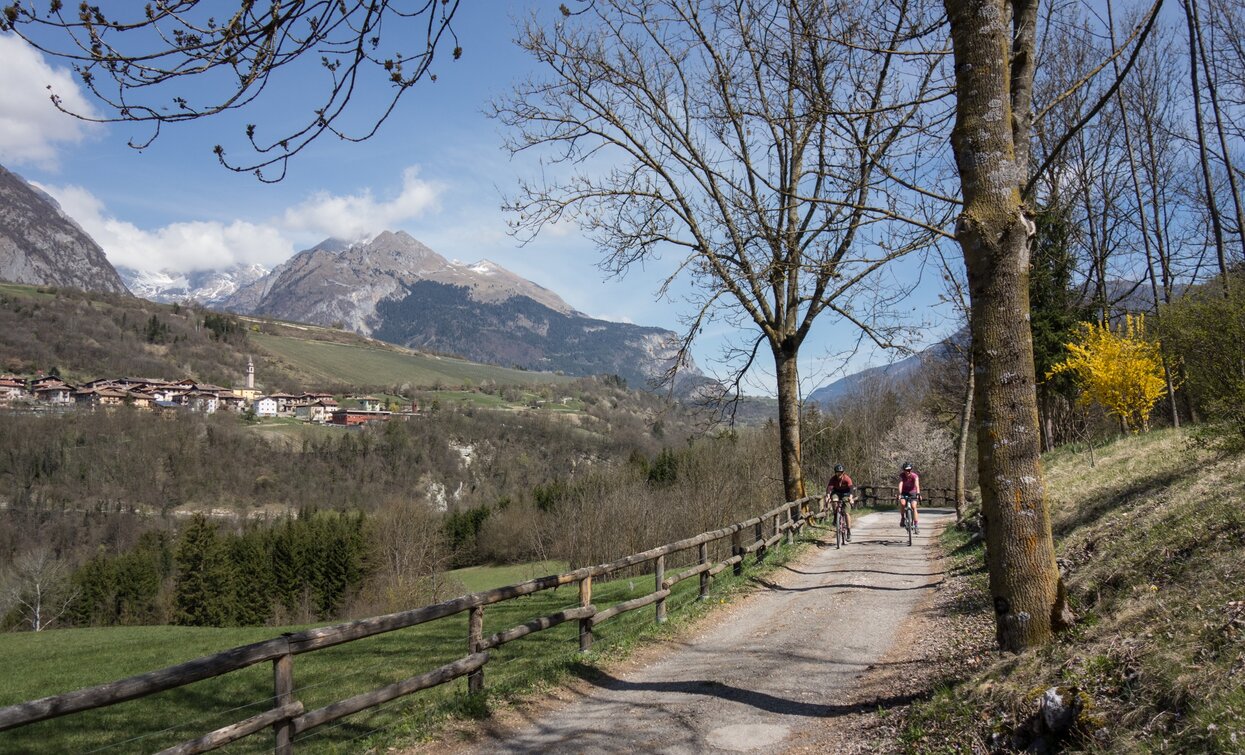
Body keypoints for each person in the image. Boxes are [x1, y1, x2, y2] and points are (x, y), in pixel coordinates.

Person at [825, 464, 854, 539]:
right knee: (834, 500)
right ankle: (835, 516)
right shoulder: (833, 479)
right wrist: (828, 496)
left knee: (847, 513)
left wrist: (850, 497)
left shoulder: (847, 478)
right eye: (837, 472)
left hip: (846, 494)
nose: (839, 474)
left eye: (840, 472)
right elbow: (829, 488)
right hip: (836, 493)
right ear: (835, 473)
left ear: (843, 472)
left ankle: (848, 531)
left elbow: (851, 488)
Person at [897, 461, 921, 533]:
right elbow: (900, 484)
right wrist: (900, 493)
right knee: (903, 503)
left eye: (909, 470)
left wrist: (918, 493)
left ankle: (916, 525)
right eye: (906, 470)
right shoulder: (902, 476)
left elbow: (917, 485)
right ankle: (902, 518)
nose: (908, 472)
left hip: (912, 492)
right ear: (903, 470)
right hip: (904, 492)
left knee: (914, 507)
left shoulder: (915, 476)